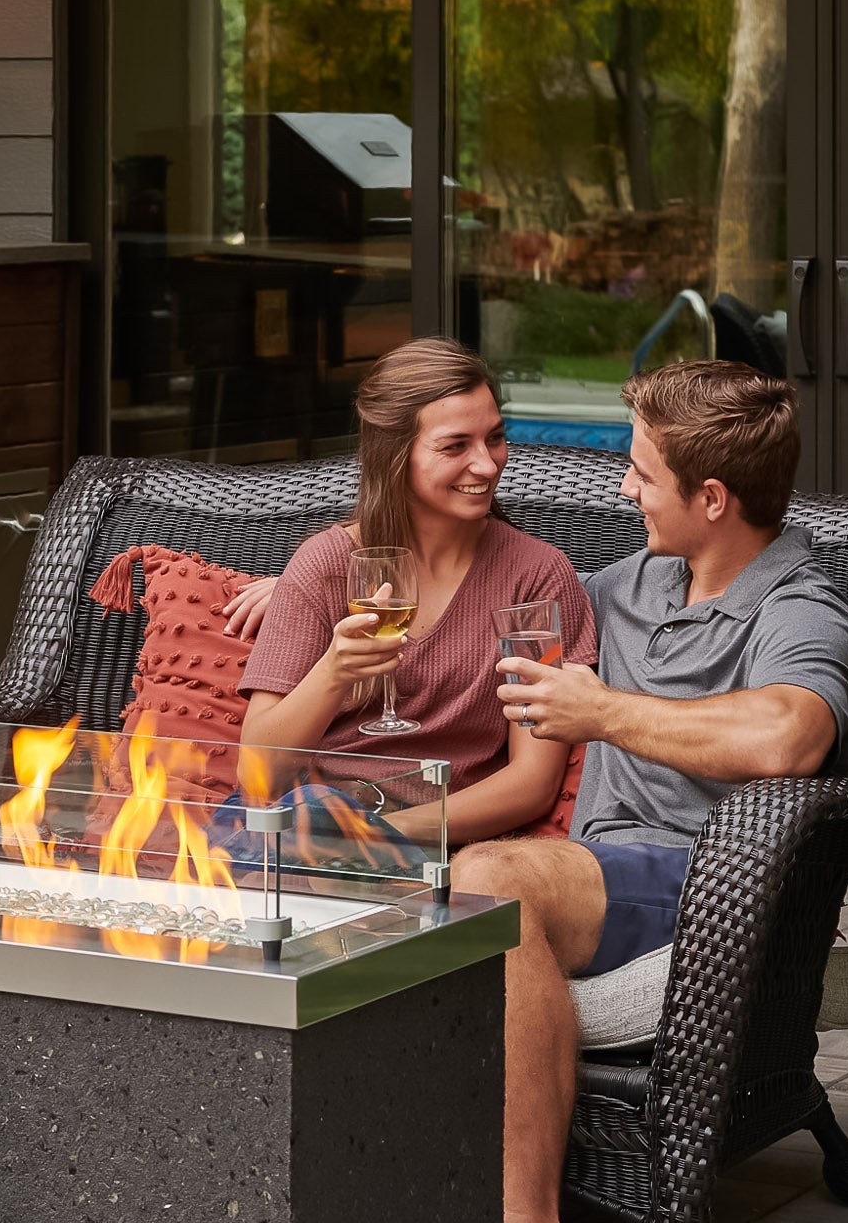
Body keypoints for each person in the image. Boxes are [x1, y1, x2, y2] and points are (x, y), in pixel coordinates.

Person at [454, 358, 848, 1223]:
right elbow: (470, 601)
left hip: (704, 887)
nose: (623, 490)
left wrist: (602, 711)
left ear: (712, 498)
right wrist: (297, 588)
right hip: (598, 878)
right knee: (395, 870)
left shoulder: (800, 610)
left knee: (490, 878)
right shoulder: (629, 585)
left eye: (640, 473)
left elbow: (786, 736)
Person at [236, 337, 594, 845]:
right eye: (455, 446)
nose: (488, 465)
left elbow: (531, 784)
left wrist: (377, 840)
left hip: (435, 842)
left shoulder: (532, 576)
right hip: (305, 825)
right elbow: (258, 774)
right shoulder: (327, 566)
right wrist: (334, 672)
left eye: (494, 438)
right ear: (394, 455)